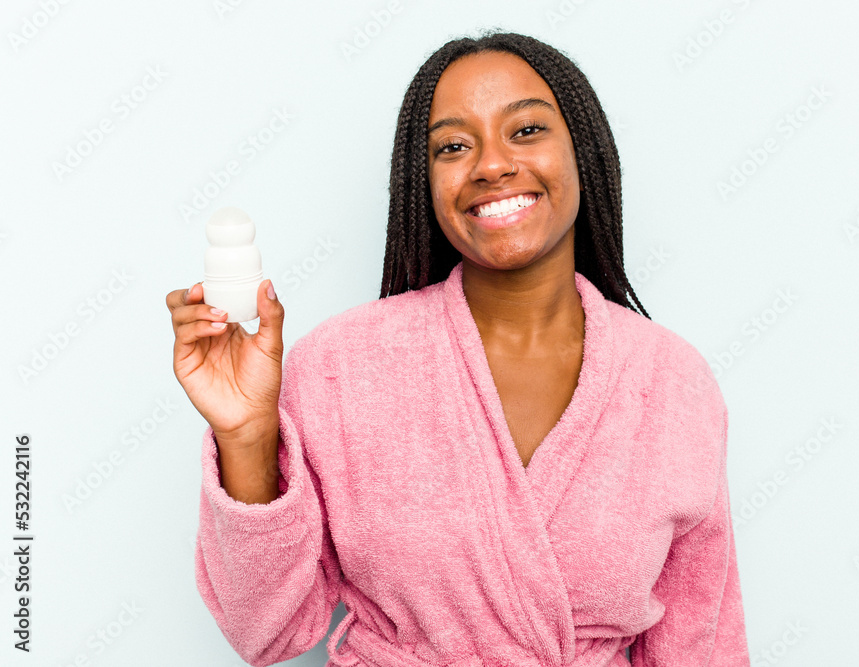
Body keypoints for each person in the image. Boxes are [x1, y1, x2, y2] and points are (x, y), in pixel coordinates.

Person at [166, 30, 750, 667]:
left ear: (584, 151)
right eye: (453, 146)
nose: (492, 164)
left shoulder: (672, 381)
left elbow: (703, 647)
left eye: (526, 130)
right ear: (425, 183)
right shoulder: (339, 366)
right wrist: (248, 438)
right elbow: (268, 632)